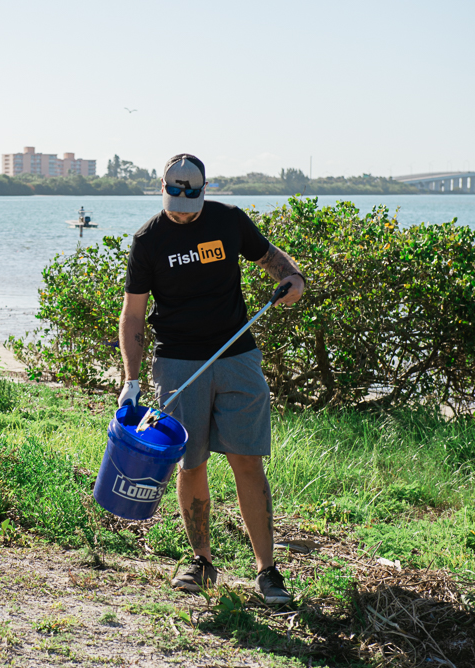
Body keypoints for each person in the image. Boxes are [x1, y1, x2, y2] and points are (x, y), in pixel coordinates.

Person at [117, 154, 306, 603]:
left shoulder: (228, 220)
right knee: (192, 463)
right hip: (178, 363)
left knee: (247, 460)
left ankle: (267, 572)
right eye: (174, 197)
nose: (183, 208)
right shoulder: (148, 240)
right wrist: (131, 379)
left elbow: (271, 257)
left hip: (237, 355)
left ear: (204, 189)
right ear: (162, 187)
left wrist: (292, 276)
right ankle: (202, 561)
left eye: (192, 198)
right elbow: (133, 317)